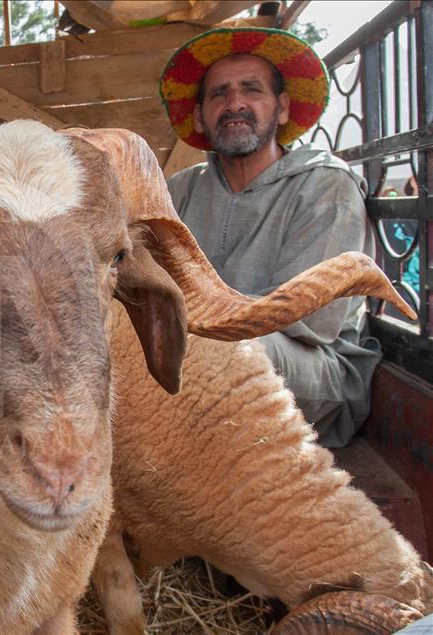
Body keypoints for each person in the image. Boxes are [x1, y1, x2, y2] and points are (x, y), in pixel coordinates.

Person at [159, 28, 381, 448]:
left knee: (230, 351)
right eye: (219, 94)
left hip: (312, 370)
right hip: (190, 352)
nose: (235, 103)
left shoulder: (326, 185)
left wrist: (186, 327)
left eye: (251, 90)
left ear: (280, 109)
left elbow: (313, 322)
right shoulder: (179, 190)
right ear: (202, 116)